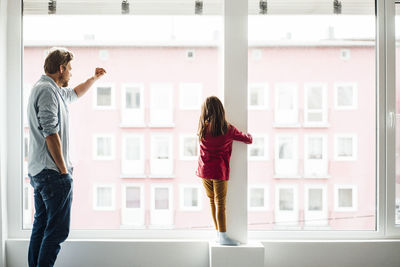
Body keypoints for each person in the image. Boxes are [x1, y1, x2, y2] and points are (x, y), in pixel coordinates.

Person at [27, 47, 106, 267]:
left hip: (43, 171)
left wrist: (94, 78)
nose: (71, 73)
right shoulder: (46, 91)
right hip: (51, 173)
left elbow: (75, 93)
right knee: (56, 232)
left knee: (42, 228)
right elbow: (50, 132)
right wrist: (63, 171)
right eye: (69, 69)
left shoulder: (52, 89)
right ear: (61, 69)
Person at [196, 96, 252, 246]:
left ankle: (218, 233)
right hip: (219, 172)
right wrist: (250, 135)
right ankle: (223, 236)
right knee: (220, 204)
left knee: (212, 202)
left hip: (204, 171)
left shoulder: (202, 128)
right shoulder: (227, 129)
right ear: (221, 111)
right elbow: (247, 139)